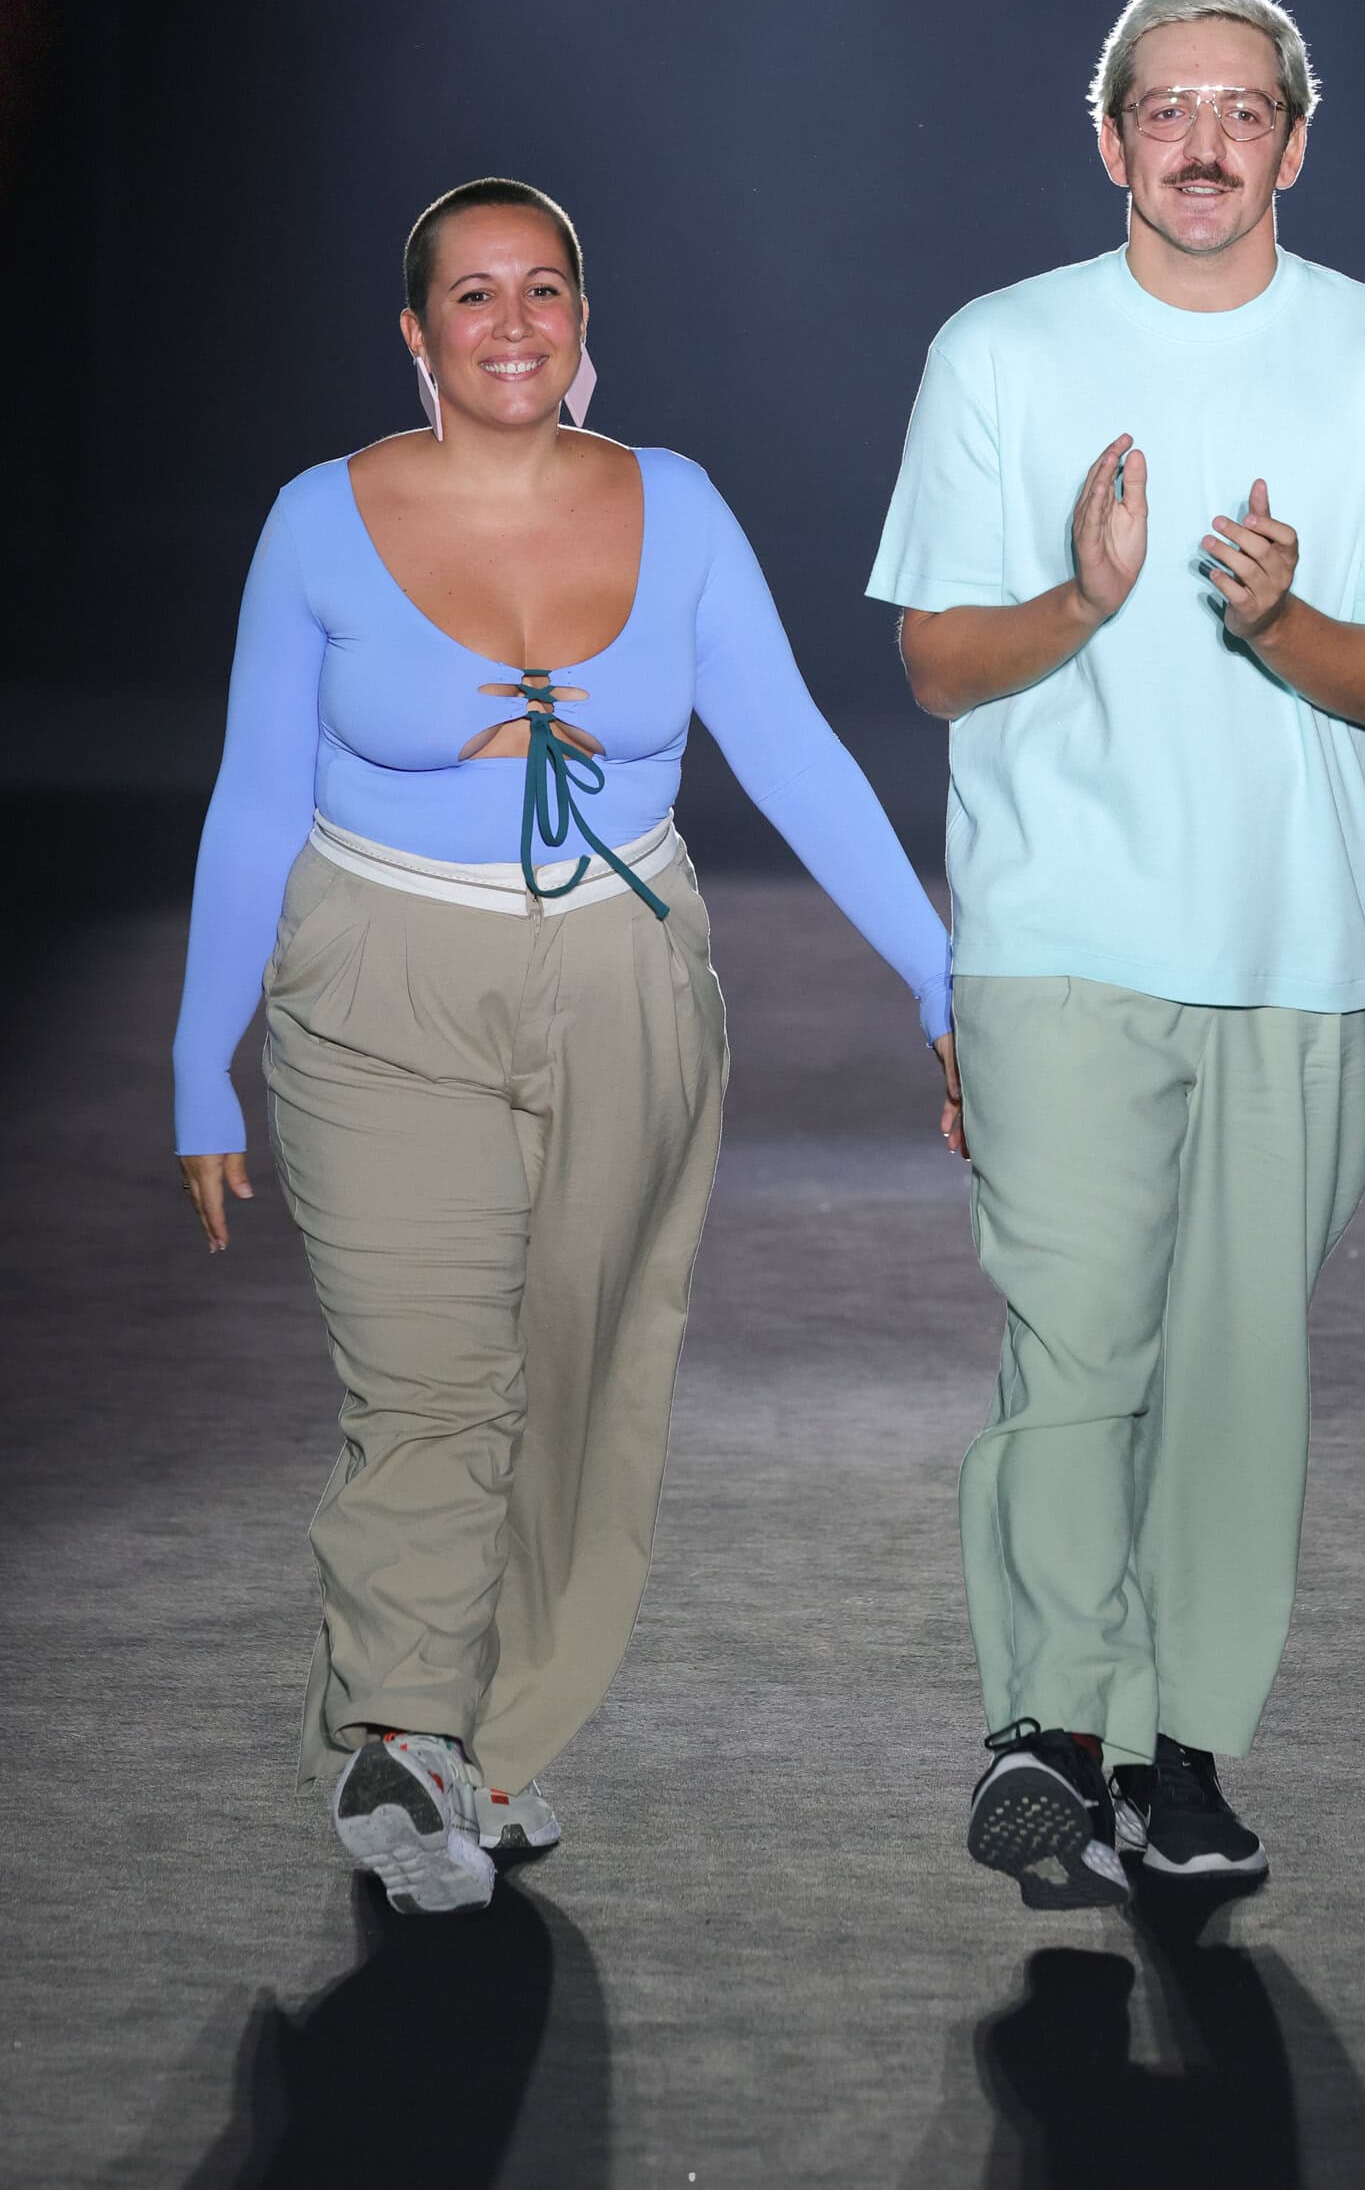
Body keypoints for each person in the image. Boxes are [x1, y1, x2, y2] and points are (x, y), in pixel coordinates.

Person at [174, 176, 958, 1915]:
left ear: (584, 322)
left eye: (544, 288)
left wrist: (936, 972)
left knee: (587, 1380)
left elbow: (793, 752)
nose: (512, 322)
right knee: (429, 1385)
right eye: (473, 294)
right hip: (377, 986)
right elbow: (255, 795)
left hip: (630, 982)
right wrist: (196, 1056)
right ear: (416, 332)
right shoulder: (318, 523)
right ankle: (400, 1729)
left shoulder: (677, 507)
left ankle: (490, 1746)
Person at [867, 0, 1365, 1908]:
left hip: (1296, 949)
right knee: (1076, 1336)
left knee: (1238, 1374)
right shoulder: (1000, 349)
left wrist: (1274, 618)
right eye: (1168, 108)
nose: (1204, 142)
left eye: (1242, 110)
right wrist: (1082, 597)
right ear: (1111, 139)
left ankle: (1179, 1754)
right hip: (1054, 930)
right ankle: (1052, 1730)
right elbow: (934, 661)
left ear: (1294, 144)